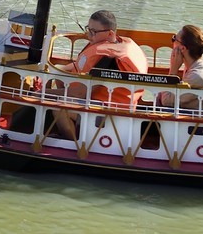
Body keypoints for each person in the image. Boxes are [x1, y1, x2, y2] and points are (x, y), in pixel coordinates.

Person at [51, 10, 147, 140]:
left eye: (93, 32)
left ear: (110, 34)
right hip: (94, 101)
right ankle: (75, 128)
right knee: (59, 76)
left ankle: (74, 142)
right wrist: (57, 69)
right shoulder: (114, 44)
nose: (88, 35)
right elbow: (78, 67)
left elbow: (80, 93)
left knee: (58, 106)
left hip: (111, 113)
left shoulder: (109, 58)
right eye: (88, 29)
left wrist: (42, 93)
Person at [165, 23, 203, 112]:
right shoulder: (202, 61)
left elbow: (166, 101)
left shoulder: (196, 75)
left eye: (174, 39)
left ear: (182, 48)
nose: (172, 42)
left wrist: (173, 70)